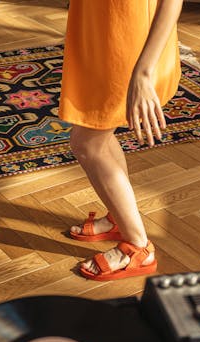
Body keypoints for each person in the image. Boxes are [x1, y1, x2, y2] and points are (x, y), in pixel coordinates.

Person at [59, 0, 183, 281]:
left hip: (132, 45)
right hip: (103, 31)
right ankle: (119, 217)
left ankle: (138, 247)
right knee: (99, 134)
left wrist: (144, 72)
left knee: (87, 143)